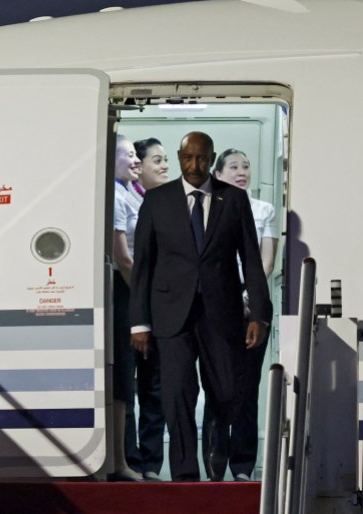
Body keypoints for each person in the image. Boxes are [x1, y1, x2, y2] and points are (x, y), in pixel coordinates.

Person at [129, 131, 271, 482]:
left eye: (202, 159)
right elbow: (143, 265)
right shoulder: (157, 200)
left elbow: (251, 261)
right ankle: (184, 477)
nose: (195, 166)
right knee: (177, 394)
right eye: (188, 158)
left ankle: (216, 455)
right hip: (170, 315)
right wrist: (139, 323)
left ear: (212, 158)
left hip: (221, 314)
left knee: (225, 391)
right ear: (180, 158)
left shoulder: (233, 200)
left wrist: (260, 315)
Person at [212, 148, 279, 481]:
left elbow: (265, 262)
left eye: (246, 166)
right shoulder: (211, 207)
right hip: (217, 306)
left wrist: (246, 293)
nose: (242, 171)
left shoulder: (264, 209)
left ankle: (242, 465)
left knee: (247, 387)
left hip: (253, 303)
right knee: (217, 385)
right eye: (233, 166)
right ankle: (215, 461)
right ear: (219, 174)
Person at [123, 138, 169, 481]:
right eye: (157, 160)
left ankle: (152, 462)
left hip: (161, 305)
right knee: (129, 382)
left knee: (155, 386)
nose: (164, 166)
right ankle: (131, 459)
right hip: (133, 302)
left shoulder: (161, 201)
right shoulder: (126, 199)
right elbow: (129, 260)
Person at [110, 134, 144, 481]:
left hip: (131, 289)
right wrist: (144, 300)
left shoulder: (131, 192)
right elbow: (123, 257)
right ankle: (117, 462)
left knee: (127, 375)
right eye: (129, 154)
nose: (137, 160)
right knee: (121, 374)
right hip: (123, 290)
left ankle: (121, 460)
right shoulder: (115, 197)